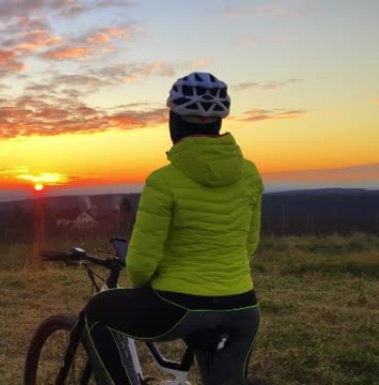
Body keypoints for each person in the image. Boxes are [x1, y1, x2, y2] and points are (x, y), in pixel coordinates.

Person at [84, 72, 263, 385]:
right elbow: (249, 244)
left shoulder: (163, 181)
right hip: (243, 306)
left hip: (178, 307)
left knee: (96, 311)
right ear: (219, 124)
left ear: (174, 122)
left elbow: (140, 266)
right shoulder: (250, 174)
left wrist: (152, 283)